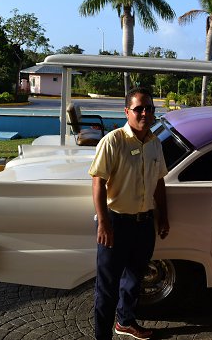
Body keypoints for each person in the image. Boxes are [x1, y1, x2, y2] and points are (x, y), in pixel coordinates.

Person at [89, 87, 169, 340]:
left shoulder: (155, 143)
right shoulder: (113, 141)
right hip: (116, 223)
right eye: (138, 109)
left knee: (135, 279)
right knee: (108, 286)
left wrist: (163, 216)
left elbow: (159, 181)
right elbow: (98, 182)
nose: (145, 113)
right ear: (127, 111)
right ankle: (102, 336)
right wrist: (104, 223)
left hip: (144, 223)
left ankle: (125, 322)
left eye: (149, 108)